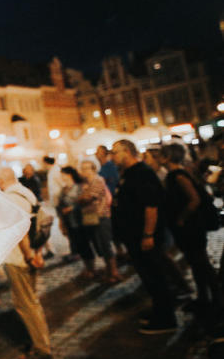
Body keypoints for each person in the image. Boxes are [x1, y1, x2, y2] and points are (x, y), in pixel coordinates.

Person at [112, 139, 179, 334]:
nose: (113, 157)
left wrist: (148, 234)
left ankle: (166, 319)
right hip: (134, 237)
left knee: (155, 276)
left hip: (145, 237)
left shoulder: (142, 173)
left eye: (116, 152)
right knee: (148, 277)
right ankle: (159, 310)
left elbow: (151, 206)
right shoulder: (128, 174)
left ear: (127, 152)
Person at [0, 167, 52, 359]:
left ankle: (41, 347)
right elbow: (39, 225)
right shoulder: (26, 192)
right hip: (28, 255)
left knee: (26, 304)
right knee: (31, 301)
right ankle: (39, 340)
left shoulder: (11, 197)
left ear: (3, 179)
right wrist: (37, 253)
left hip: (19, 259)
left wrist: (29, 255)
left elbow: (21, 230)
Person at [161, 144, 222, 320]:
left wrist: (181, 218)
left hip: (191, 227)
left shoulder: (177, 175)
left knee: (201, 262)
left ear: (167, 157)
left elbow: (194, 199)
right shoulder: (180, 173)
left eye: (159, 156)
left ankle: (216, 300)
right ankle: (203, 297)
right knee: (195, 263)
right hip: (188, 227)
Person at [78, 159, 121, 282]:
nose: (83, 171)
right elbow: (81, 198)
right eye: (82, 168)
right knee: (100, 245)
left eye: (86, 168)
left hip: (102, 217)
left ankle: (113, 272)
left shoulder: (98, 180)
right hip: (91, 218)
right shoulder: (85, 183)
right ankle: (108, 270)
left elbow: (87, 198)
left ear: (93, 169)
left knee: (106, 245)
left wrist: (81, 198)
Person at [57, 166, 88, 268]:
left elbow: (83, 202)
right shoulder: (64, 189)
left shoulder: (79, 187)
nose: (61, 177)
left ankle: (86, 260)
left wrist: (72, 208)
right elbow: (60, 205)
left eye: (63, 174)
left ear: (69, 175)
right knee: (72, 236)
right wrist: (61, 220)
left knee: (81, 238)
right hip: (67, 219)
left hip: (78, 218)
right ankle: (75, 253)